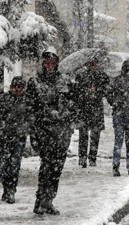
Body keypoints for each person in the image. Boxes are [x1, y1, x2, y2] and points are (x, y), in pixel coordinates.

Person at [26, 47, 74, 215]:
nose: (50, 66)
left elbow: (73, 103)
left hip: (62, 131)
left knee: (57, 168)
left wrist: (67, 112)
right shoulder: (35, 82)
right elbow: (30, 108)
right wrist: (34, 132)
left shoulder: (65, 81)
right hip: (44, 130)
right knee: (46, 166)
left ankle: (49, 200)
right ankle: (40, 200)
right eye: (47, 63)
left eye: (53, 63)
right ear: (42, 63)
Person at [107, 60, 129, 177]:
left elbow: (108, 92)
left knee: (118, 141)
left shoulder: (116, 80)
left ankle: (115, 166)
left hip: (118, 114)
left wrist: (114, 103)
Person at [74, 57, 110, 168]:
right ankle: (83, 158)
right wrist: (86, 92)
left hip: (96, 108)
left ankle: (92, 158)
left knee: (95, 135)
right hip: (85, 108)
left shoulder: (102, 76)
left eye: (95, 64)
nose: (94, 66)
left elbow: (106, 90)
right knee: (83, 134)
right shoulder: (81, 75)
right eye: (92, 64)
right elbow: (77, 91)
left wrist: (97, 91)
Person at [0, 76, 28, 204]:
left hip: (19, 137)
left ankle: (11, 189)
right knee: (5, 165)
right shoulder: (4, 99)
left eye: (21, 89)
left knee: (15, 165)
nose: (18, 91)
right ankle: (6, 188)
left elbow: (31, 117)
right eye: (16, 89)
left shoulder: (27, 101)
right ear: (11, 88)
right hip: (5, 136)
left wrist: (26, 127)